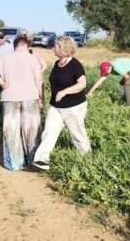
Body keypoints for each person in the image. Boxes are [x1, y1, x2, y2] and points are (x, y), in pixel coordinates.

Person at [0, 35, 43, 170]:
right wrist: (41, 97)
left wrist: (1, 82)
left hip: (10, 96)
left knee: (11, 129)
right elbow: (39, 79)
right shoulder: (32, 58)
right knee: (32, 129)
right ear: (27, 45)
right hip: (30, 96)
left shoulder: (5, 57)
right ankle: (33, 161)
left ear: (15, 45)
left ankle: (13, 163)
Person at [33, 36, 90, 171]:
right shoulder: (57, 63)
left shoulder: (75, 65)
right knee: (49, 132)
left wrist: (65, 92)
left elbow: (82, 84)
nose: (54, 48)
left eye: (57, 46)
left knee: (77, 134)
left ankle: (87, 160)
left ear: (64, 48)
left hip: (74, 106)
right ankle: (42, 160)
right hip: (56, 106)